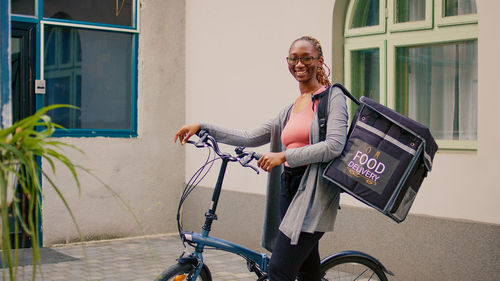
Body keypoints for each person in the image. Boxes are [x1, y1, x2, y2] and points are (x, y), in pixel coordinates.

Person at [174, 36, 348, 281]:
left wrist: (284, 155)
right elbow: (249, 136)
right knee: (306, 270)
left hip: (314, 194)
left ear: (319, 61)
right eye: (293, 58)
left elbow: (334, 146)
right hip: (289, 188)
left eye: (306, 58)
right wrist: (203, 126)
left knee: (279, 270)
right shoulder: (291, 108)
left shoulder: (333, 97)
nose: (299, 64)